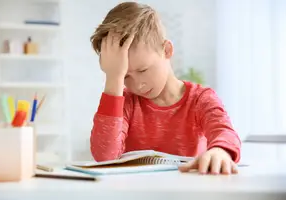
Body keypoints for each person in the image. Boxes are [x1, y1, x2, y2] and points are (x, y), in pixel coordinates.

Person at [89, 1, 241, 175]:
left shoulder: (200, 99)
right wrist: (113, 78)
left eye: (143, 70)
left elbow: (226, 133)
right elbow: (105, 157)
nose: (138, 84)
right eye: (125, 76)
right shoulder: (126, 103)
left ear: (167, 50)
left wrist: (220, 151)